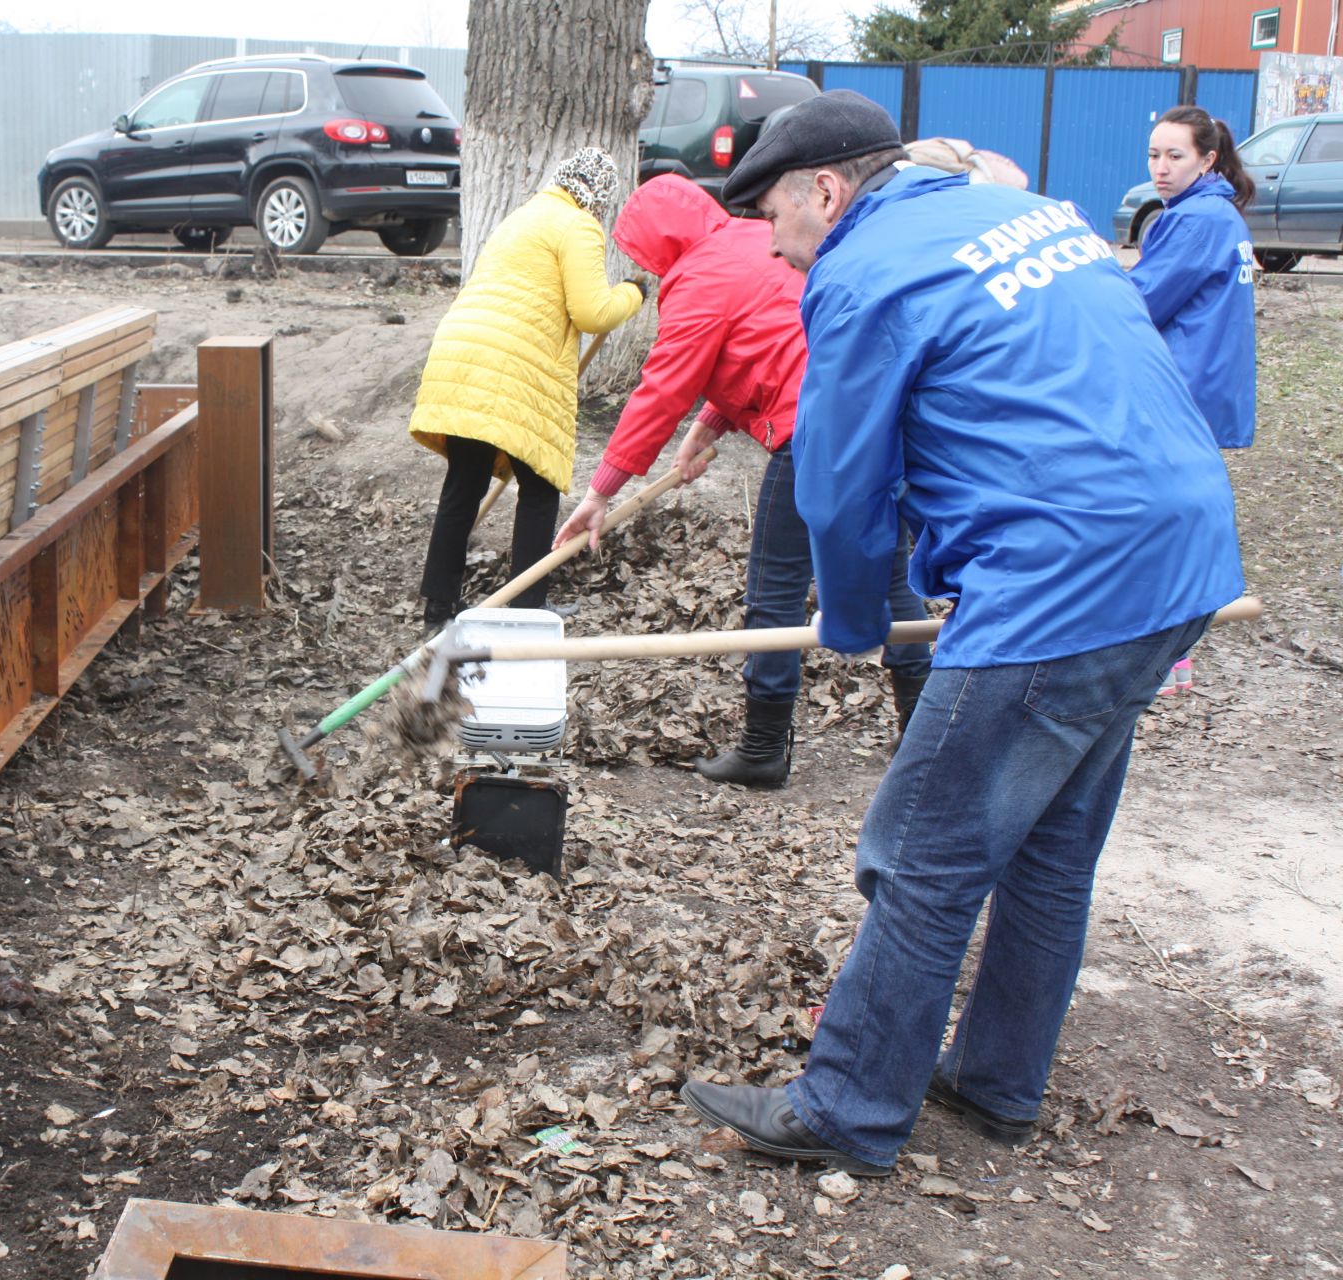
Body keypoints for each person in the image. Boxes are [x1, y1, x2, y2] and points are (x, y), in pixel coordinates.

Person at [676, 91, 1245, 1177]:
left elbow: (839, 491)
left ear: (828, 191)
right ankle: (997, 1080)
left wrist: (850, 620)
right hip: (1179, 554)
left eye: (776, 221)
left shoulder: (862, 269)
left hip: (1065, 579)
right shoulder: (1021, 213)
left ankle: (848, 1101)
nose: (776, 250)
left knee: (924, 847)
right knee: (1048, 844)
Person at [552, 173, 932, 788]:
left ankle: (762, 748)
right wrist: (710, 423)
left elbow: (662, 389)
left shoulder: (698, 277)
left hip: (813, 429)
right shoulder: (758, 239)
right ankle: (924, 740)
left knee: (775, 586)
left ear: (655, 244)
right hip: (870, 412)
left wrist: (600, 493)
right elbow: (769, 342)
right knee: (891, 575)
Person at [409, 147, 644, 630]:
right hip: (514, 366)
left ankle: (438, 608)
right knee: (539, 486)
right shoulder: (578, 225)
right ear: (599, 195)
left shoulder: (526, 215)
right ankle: (528, 606)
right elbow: (591, 312)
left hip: (463, 355)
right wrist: (635, 292)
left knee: (464, 483)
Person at [1132, 105, 1258, 696]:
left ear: (1207, 159)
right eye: (1154, 154)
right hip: (1203, 385)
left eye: (1174, 155)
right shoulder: (1213, 213)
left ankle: (1169, 653)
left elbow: (1143, 301)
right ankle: (1172, 651)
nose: (1160, 168)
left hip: (1182, 389)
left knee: (1163, 521)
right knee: (1177, 518)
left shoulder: (1197, 220)